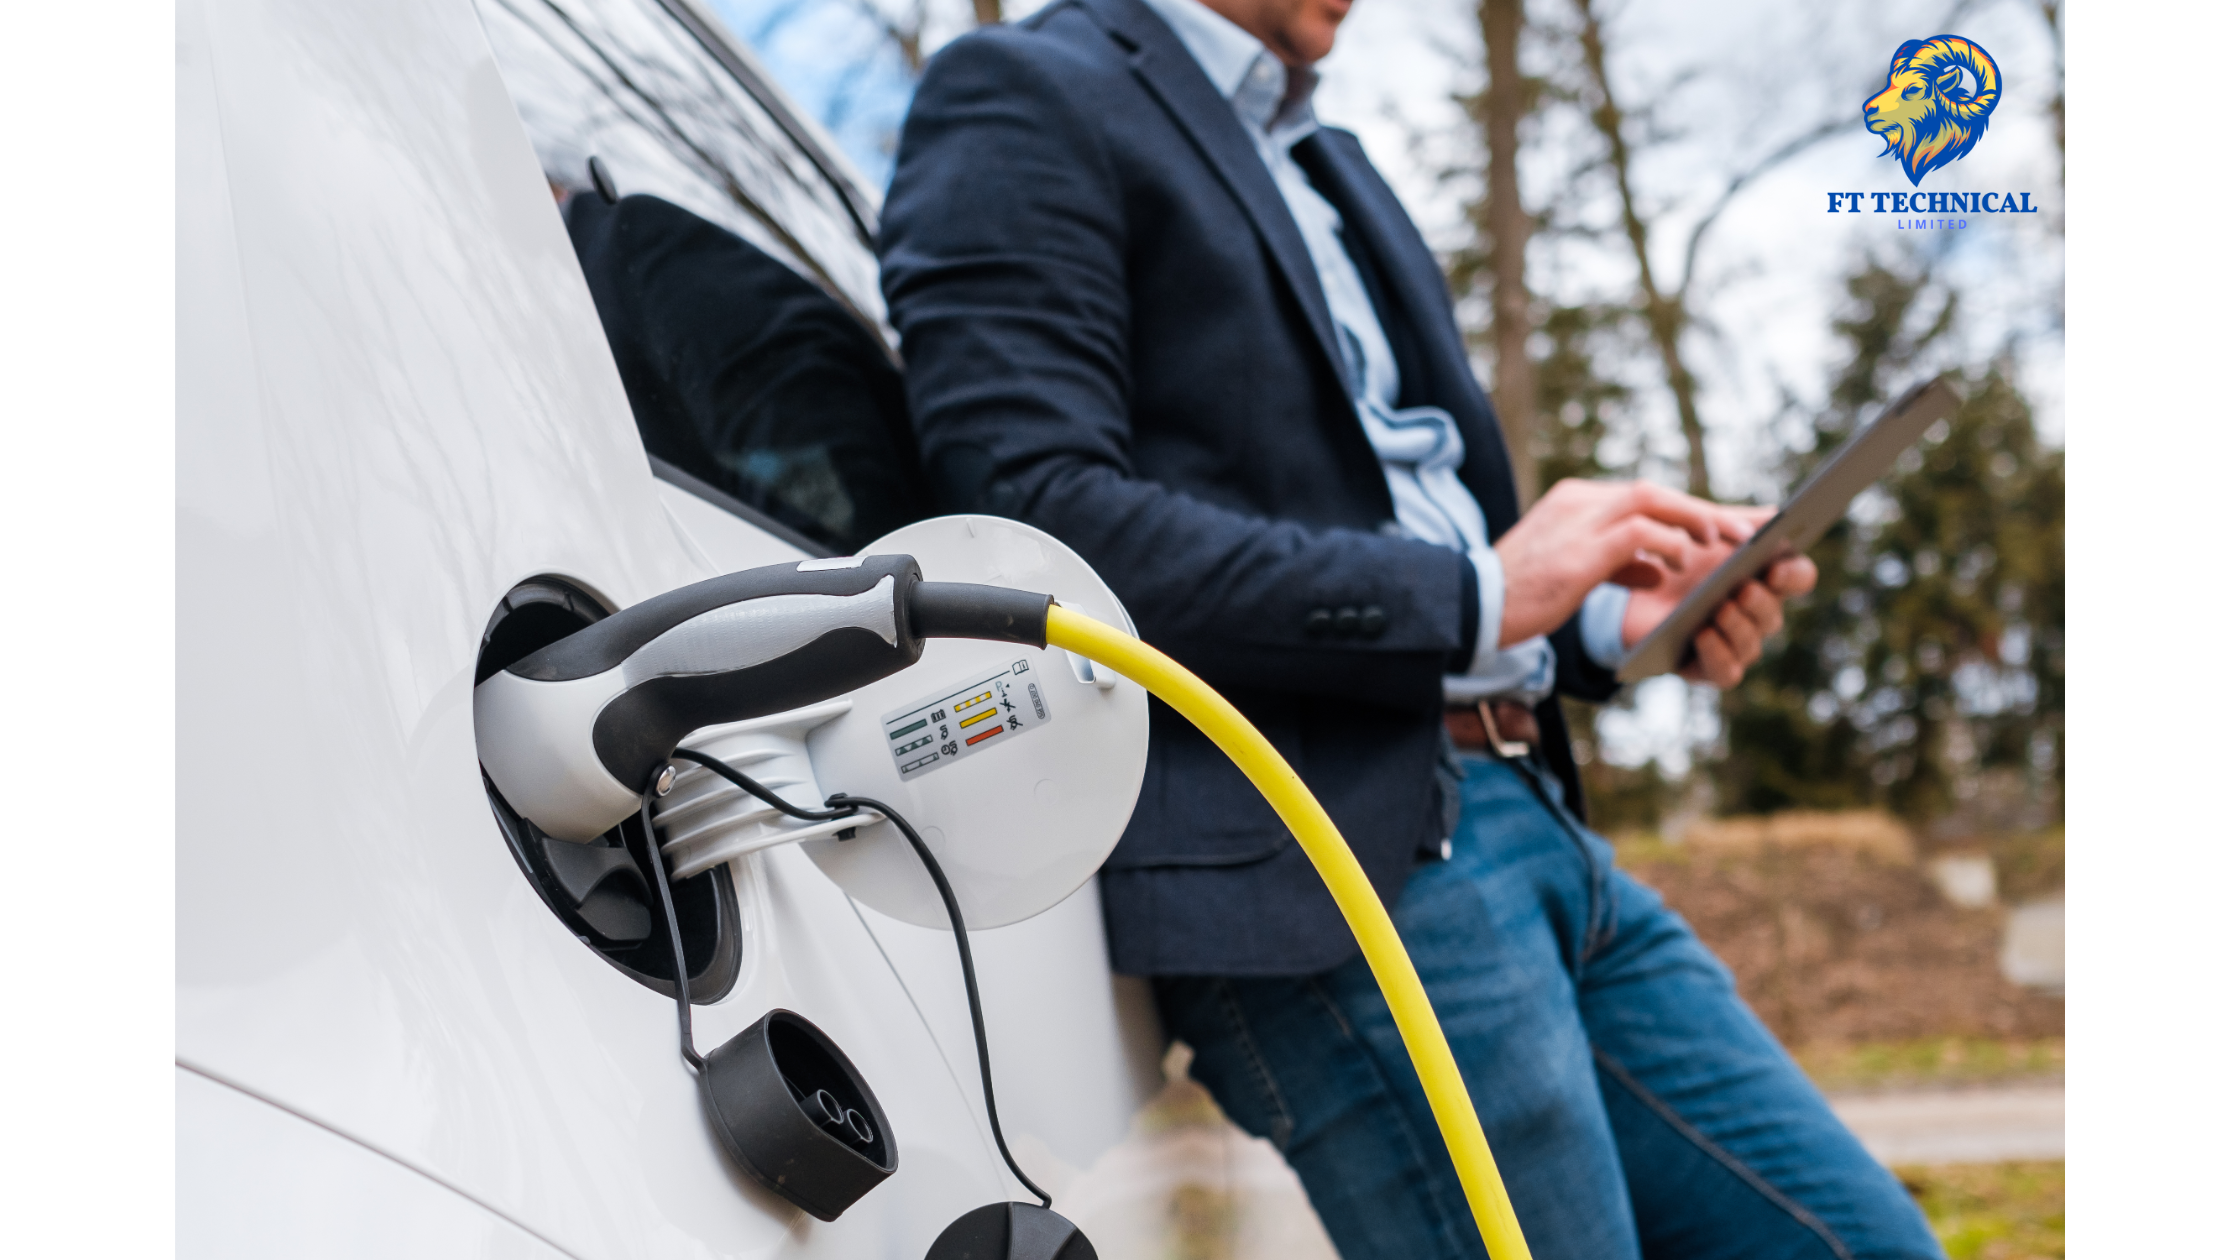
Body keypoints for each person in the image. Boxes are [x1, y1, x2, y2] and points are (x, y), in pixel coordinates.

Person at [878, 1, 1942, 1256]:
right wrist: (1476, 597)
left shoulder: (1327, 160)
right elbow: (1036, 524)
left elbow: (1398, 517)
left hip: (1529, 816)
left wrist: (1600, 622)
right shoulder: (1021, 88)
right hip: (1333, 867)